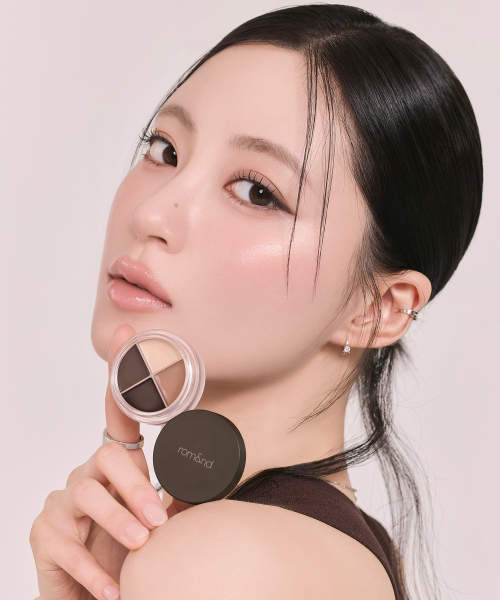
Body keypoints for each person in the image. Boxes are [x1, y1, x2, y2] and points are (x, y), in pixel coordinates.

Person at [29, 4, 482, 600]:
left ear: (378, 308)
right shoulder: (343, 548)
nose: (151, 214)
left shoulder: (222, 562)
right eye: (165, 150)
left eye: (257, 192)